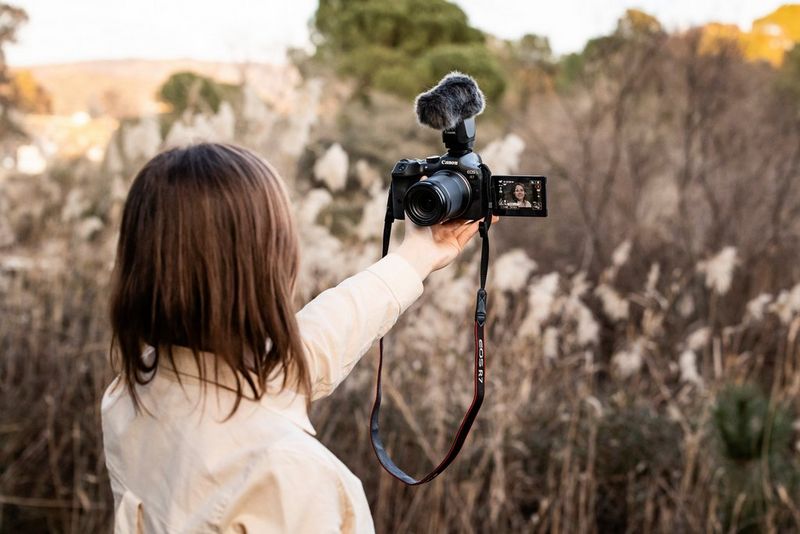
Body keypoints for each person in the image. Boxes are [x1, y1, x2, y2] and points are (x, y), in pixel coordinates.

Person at [101, 142, 498, 533]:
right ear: (264, 262)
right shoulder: (291, 478)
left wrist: (417, 256)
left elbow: (304, 352)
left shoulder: (131, 396)